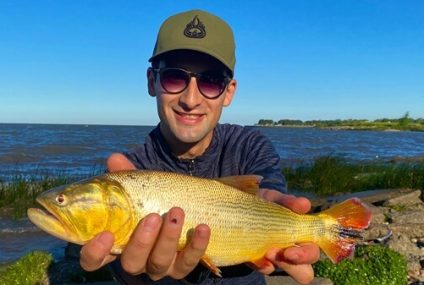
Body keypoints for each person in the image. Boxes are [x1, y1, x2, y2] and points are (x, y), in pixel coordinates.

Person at [79, 9, 320, 285]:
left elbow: (271, 188)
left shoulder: (249, 145)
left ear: (228, 92)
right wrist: (131, 273)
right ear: (151, 82)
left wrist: (284, 216)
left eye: (211, 81)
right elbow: (121, 261)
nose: (190, 99)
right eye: (173, 77)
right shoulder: (131, 174)